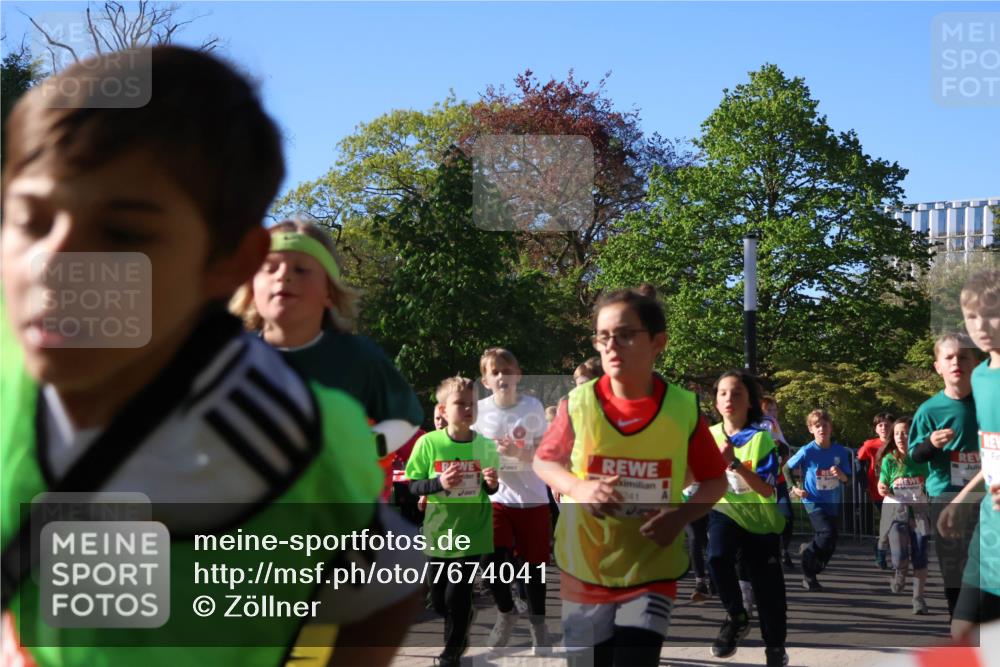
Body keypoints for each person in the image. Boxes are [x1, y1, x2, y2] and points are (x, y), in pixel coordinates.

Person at [0, 46, 413, 667]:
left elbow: (396, 570)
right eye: (32, 220)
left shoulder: (301, 439)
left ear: (226, 263)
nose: (56, 265)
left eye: (124, 233)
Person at [534, 284, 728, 667]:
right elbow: (544, 462)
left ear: (658, 342)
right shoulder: (578, 402)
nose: (611, 345)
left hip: (649, 567)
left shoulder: (682, 407)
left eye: (625, 335)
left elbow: (715, 480)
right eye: (603, 337)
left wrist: (680, 517)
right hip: (584, 564)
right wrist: (578, 485)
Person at [231, 216, 425, 458]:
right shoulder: (228, 357)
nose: (283, 275)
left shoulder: (358, 356)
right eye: (270, 268)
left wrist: (358, 449)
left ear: (329, 292)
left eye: (301, 269)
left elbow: (407, 417)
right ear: (251, 289)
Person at [405, 376, 500, 667]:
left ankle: (451, 652)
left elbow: (491, 489)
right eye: (461, 404)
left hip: (473, 531)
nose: (468, 409)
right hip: (438, 532)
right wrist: (437, 483)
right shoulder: (428, 443)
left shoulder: (485, 445)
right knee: (438, 597)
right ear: (443, 410)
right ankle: (461, 621)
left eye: (472, 404)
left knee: (457, 595)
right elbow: (412, 485)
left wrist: (492, 482)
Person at [471, 347, 551, 654]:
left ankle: (538, 625)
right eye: (495, 371)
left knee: (534, 570)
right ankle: (506, 612)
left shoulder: (532, 406)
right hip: (496, 499)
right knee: (490, 562)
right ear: (486, 379)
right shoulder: (479, 411)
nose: (502, 375)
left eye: (507, 370)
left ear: (518, 374)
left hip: (532, 497)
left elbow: (546, 454)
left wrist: (519, 453)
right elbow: (473, 454)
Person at [705, 371, 788, 666]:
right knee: (716, 557)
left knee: (768, 589)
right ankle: (736, 617)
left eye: (737, 393)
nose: (729, 399)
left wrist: (735, 464)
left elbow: (767, 489)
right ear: (715, 401)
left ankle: (775, 647)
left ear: (750, 401)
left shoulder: (762, 439)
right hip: (725, 510)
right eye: (723, 393)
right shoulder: (708, 436)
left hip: (760, 519)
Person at [907, 333, 981, 618]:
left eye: (963, 356)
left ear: (975, 363)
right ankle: (959, 623)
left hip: (984, 493)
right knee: (955, 568)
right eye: (949, 357)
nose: (956, 362)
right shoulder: (929, 410)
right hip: (946, 495)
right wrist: (931, 444)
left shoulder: (988, 402)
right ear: (938, 366)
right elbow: (914, 456)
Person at [948, 270, 1000, 643]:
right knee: (963, 633)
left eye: (991, 312)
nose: (980, 325)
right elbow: (992, 451)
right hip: (990, 534)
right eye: (971, 316)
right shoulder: (980, 377)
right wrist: (963, 498)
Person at [786, 410, 852, 591]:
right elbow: (786, 468)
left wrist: (841, 475)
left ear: (831, 428)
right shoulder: (807, 450)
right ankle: (809, 566)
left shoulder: (840, 451)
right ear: (811, 429)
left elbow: (848, 479)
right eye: (817, 426)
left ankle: (810, 569)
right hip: (812, 500)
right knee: (827, 533)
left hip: (832, 500)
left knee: (831, 541)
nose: (822, 429)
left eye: (825, 425)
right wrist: (794, 487)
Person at [877, 416, 931, 614]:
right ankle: (899, 575)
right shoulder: (890, 459)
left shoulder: (921, 458)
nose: (901, 437)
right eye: (898, 433)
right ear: (893, 436)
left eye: (906, 432)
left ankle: (918, 599)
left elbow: (933, 479)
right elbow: (882, 482)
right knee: (900, 556)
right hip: (896, 510)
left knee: (920, 556)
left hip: (919, 511)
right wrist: (881, 486)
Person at [760, 396, 795, 569]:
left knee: (787, 516)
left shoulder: (775, 426)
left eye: (774, 410)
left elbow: (785, 448)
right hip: (763, 482)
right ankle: (769, 553)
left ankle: (783, 550)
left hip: (779, 480)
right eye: (769, 410)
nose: (772, 413)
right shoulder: (762, 425)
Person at [858, 412, 896, 569]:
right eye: (880, 425)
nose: (884, 428)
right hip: (877, 490)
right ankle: (881, 552)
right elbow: (859, 462)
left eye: (887, 425)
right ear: (875, 429)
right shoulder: (870, 445)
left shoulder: (898, 442)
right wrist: (863, 482)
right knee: (889, 523)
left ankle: (888, 552)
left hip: (898, 490)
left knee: (895, 523)